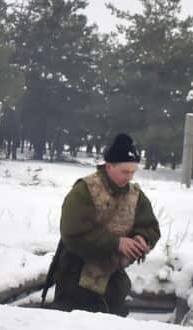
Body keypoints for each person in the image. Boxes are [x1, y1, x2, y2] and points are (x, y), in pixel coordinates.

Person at [43, 133, 161, 317]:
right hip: (75, 280)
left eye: (132, 172)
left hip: (113, 283)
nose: (129, 177)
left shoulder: (136, 195)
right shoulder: (84, 190)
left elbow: (150, 227)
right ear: (109, 166)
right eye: (124, 172)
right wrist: (116, 243)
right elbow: (73, 233)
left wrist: (141, 238)